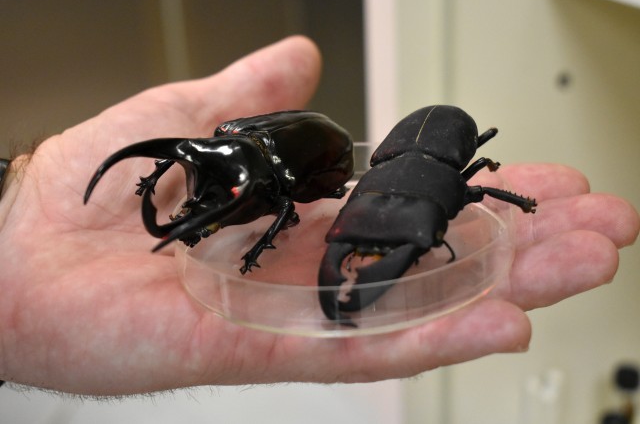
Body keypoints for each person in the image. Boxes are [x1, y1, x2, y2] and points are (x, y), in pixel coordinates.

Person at [0, 36, 638, 396]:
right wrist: (20, 210)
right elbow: (219, 170)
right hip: (361, 156)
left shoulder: (437, 180)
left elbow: (308, 205)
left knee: (303, 206)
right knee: (226, 170)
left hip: (380, 156)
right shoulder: (241, 146)